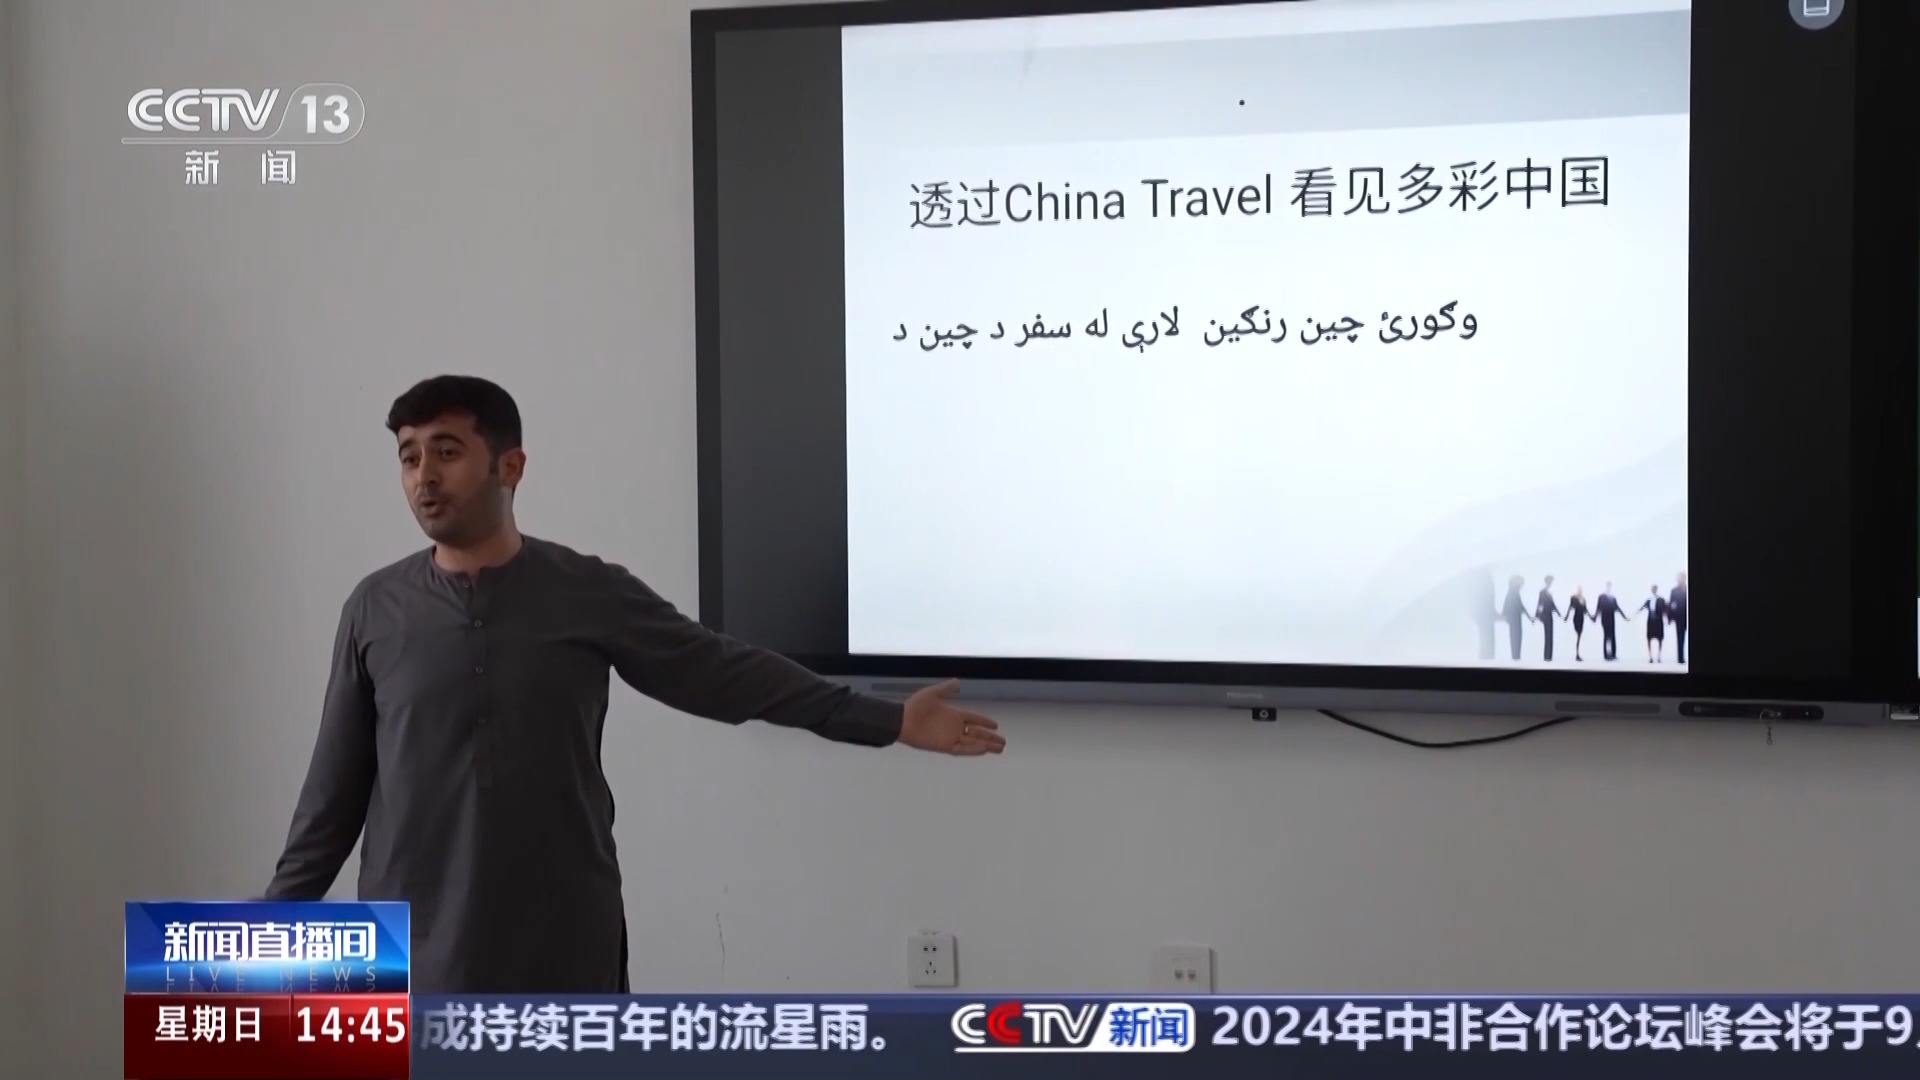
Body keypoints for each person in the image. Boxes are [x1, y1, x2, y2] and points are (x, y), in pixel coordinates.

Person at [265, 376, 1008, 994]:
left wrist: (885, 719)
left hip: (562, 945)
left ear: (510, 466)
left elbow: (721, 673)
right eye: (408, 457)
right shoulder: (375, 610)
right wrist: (260, 949)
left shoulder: (586, 592)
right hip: (410, 955)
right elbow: (331, 799)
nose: (424, 476)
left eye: (447, 452)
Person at [1498, 574, 1534, 661]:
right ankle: (1515, 657)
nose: (1521, 586)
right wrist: (1504, 616)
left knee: (1517, 638)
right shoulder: (1512, 593)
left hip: (1516, 619)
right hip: (1514, 619)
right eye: (1520, 584)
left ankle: (1516, 656)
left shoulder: (1514, 593)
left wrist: (1529, 617)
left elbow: (1521, 606)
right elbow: (1511, 606)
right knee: (1515, 638)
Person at [1594, 582, 1631, 661]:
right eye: (1608, 586)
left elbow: (1617, 608)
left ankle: (1613, 654)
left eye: (1610, 586)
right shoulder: (1602, 597)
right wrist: (1595, 617)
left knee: (1612, 636)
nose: (1609, 587)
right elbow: (1598, 608)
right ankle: (1606, 655)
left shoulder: (1613, 597)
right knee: (1607, 636)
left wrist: (1625, 617)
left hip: (1612, 619)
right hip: (1605, 619)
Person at [1533, 575, 1563, 662]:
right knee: (1548, 635)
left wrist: (1558, 613)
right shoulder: (1543, 592)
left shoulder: (1548, 593)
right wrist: (1537, 615)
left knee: (1550, 635)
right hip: (1545, 615)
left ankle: (1549, 656)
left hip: (1549, 615)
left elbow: (1552, 605)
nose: (1550, 583)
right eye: (1550, 581)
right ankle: (1547, 656)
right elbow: (1540, 604)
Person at [1639, 584, 1669, 663]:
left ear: (1657, 589)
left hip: (1659, 621)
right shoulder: (1649, 600)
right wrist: (1633, 616)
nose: (1654, 590)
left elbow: (1666, 610)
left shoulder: (1661, 599)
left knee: (1660, 638)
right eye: (1653, 589)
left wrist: (1668, 619)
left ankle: (1659, 656)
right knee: (1649, 638)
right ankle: (1651, 657)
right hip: (1650, 621)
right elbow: (1641, 608)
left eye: (1655, 589)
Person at [1565, 585, 1592, 661]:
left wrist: (1591, 618)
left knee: (1579, 635)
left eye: (1581, 589)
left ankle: (1577, 654)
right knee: (1577, 635)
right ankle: (1576, 654)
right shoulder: (1573, 598)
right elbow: (1570, 607)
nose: (1580, 591)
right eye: (1579, 589)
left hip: (1581, 618)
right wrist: (1567, 616)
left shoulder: (1583, 599)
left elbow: (1585, 610)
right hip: (1576, 618)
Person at [1668, 572, 1688, 664]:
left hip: (1687, 614)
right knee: (1680, 637)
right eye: (1678, 578)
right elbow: (1671, 604)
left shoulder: (1687, 588)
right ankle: (1680, 658)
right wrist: (1670, 618)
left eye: (1681, 578)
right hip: (1679, 616)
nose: (1679, 580)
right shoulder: (1674, 590)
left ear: (1685, 579)